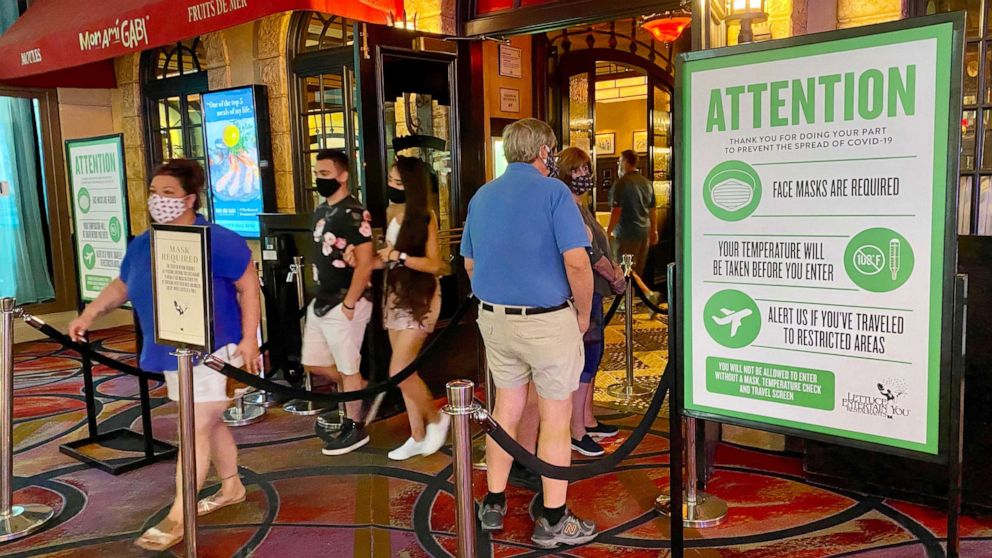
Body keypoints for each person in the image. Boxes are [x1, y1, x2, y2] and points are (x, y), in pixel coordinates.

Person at [69, 160, 261, 552]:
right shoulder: (146, 241)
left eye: (169, 193)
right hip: (172, 349)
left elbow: (248, 287)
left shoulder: (217, 239)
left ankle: (178, 514)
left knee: (194, 427)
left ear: (190, 198)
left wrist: (250, 339)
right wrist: (91, 312)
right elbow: (123, 284)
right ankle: (232, 487)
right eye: (154, 192)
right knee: (208, 423)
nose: (159, 200)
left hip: (215, 351)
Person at [462, 118, 599, 548]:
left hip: (495, 319)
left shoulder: (482, 195)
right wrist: (581, 315)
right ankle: (554, 519)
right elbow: (577, 262)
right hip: (546, 319)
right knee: (556, 418)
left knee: (506, 409)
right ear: (544, 152)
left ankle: (494, 501)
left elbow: (469, 264)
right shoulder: (555, 193)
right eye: (552, 150)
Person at [301, 149, 375, 456]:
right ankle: (360, 388)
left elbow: (366, 261)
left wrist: (350, 302)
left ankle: (354, 425)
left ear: (343, 176)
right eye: (318, 174)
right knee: (313, 361)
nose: (320, 179)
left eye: (326, 174)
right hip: (322, 299)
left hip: (346, 301)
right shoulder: (322, 211)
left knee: (347, 367)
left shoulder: (353, 213)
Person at [376, 156, 450, 460]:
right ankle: (416, 435)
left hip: (420, 297)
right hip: (394, 293)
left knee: (399, 371)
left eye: (398, 182)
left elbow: (436, 264)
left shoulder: (425, 216)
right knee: (406, 370)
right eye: (391, 181)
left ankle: (436, 418)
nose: (392, 187)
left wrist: (399, 255)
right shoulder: (390, 210)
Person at [557, 147, 624, 458]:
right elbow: (591, 256)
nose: (584, 177)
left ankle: (587, 417)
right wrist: (614, 276)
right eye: (578, 171)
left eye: (586, 171)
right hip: (582, 293)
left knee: (594, 356)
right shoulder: (568, 207)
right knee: (582, 360)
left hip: (594, 292)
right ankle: (576, 429)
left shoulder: (581, 207)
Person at [607, 149, 660, 305]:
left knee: (625, 268)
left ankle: (640, 296)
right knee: (635, 270)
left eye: (619, 162)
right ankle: (635, 298)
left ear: (625, 162)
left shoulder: (621, 184)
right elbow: (652, 209)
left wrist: (607, 232)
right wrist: (654, 231)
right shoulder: (646, 183)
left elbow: (616, 211)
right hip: (644, 232)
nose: (618, 165)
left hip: (626, 233)